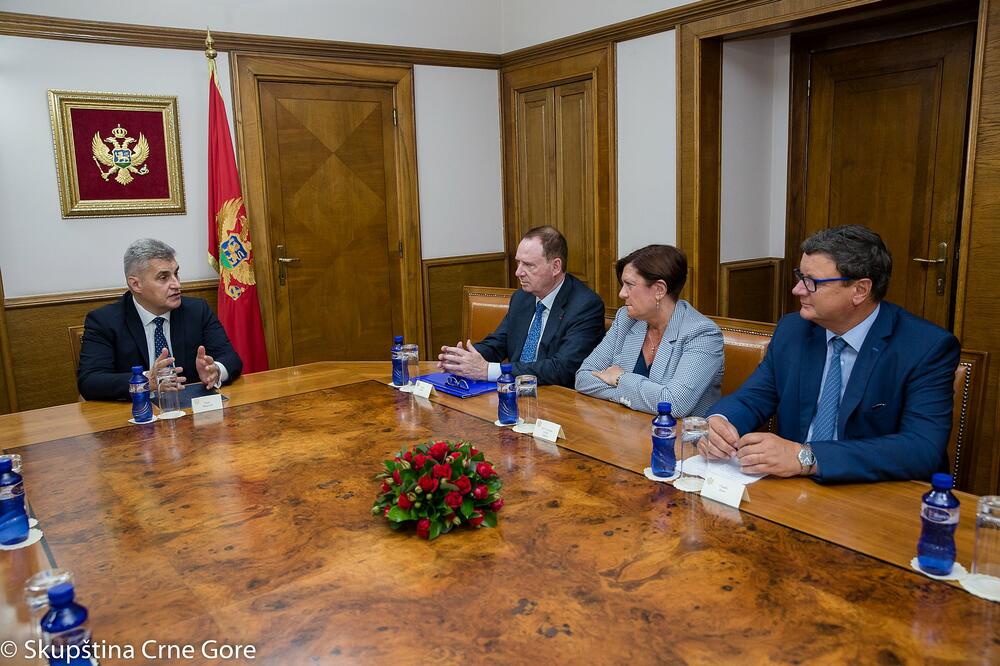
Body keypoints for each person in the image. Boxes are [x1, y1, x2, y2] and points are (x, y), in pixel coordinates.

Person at [702, 225, 960, 483]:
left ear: (860, 290)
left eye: (811, 282)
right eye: (799, 276)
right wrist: (719, 422)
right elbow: (754, 397)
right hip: (794, 488)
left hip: (873, 491)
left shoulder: (926, 347)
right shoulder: (794, 330)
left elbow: (921, 449)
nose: (797, 290)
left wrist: (807, 457)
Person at [437, 226, 605, 387]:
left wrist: (489, 370)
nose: (518, 272)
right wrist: (463, 359)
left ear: (555, 267)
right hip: (514, 392)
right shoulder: (522, 297)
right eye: (518, 263)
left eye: (529, 265)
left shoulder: (585, 306)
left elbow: (563, 368)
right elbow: (499, 342)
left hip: (556, 399)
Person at [77, 238, 243, 401]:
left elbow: (231, 358)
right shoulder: (104, 321)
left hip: (190, 411)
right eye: (163, 278)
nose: (176, 284)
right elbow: (90, 381)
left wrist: (215, 371)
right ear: (136, 284)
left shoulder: (197, 311)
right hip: (136, 415)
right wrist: (146, 381)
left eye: (176, 273)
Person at [575, 245, 722, 416]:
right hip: (625, 431)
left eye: (630, 285)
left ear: (659, 290)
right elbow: (583, 378)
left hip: (676, 438)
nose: (622, 293)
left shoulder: (702, 334)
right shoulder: (626, 319)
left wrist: (619, 379)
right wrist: (635, 397)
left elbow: (673, 405)